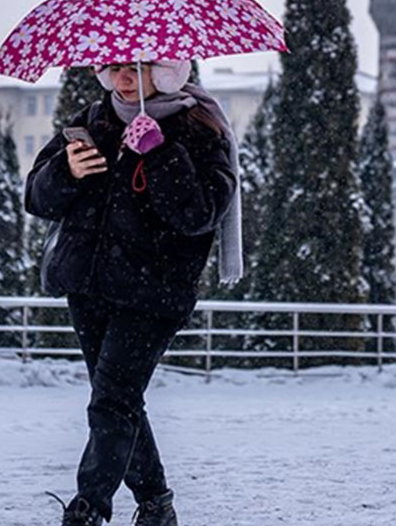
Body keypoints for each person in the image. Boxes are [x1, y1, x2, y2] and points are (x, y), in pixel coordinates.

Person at [26, 60, 239, 526]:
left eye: (138, 68)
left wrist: (160, 154)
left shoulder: (199, 129)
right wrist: (65, 170)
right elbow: (36, 198)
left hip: (153, 295)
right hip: (88, 287)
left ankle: (89, 506)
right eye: (114, 67)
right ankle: (157, 503)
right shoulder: (91, 121)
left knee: (112, 400)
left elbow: (199, 214)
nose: (123, 77)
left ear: (166, 74)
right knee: (118, 400)